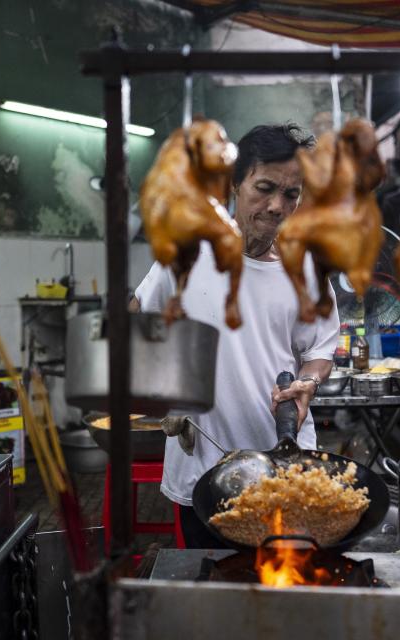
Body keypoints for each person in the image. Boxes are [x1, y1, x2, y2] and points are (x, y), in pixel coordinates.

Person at [132, 123, 340, 548]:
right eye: (264, 188)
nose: (277, 206)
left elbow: (319, 350)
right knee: (214, 596)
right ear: (234, 184)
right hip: (202, 472)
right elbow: (138, 321)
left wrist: (310, 383)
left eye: (291, 195)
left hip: (284, 466)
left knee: (284, 596)